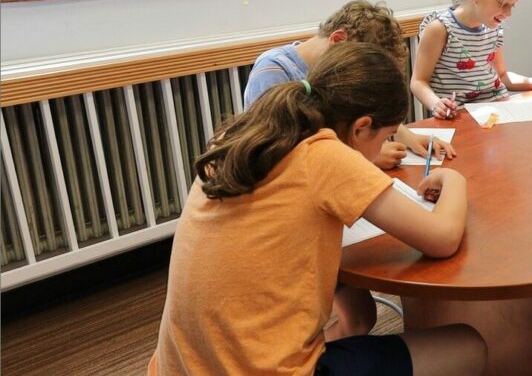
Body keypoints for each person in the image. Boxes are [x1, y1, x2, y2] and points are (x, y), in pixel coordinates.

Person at [149, 43, 486, 376]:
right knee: (469, 345)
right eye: (383, 137)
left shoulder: (241, 135)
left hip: (179, 366)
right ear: (360, 127)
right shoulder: (324, 157)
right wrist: (453, 180)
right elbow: (442, 238)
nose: (381, 147)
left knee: (354, 325)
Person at [244, 0, 456, 169]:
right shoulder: (273, 72)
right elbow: (275, 156)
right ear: (338, 40)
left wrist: (410, 137)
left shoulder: (340, 75)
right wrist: (360, 156)